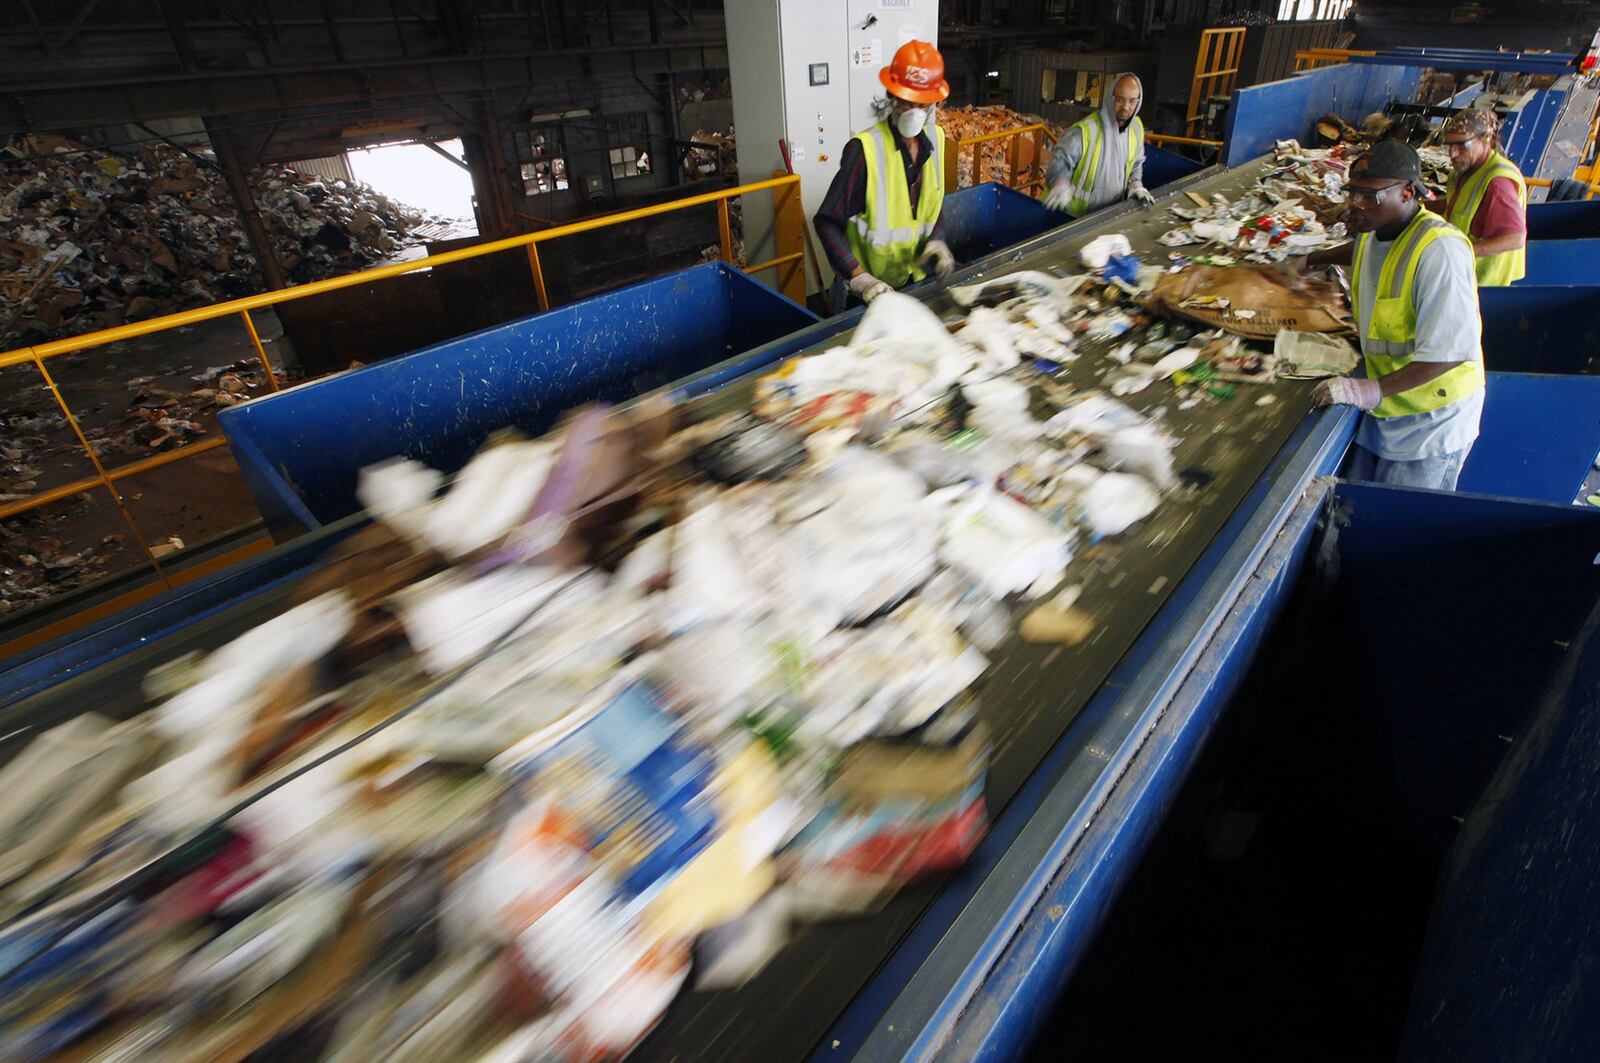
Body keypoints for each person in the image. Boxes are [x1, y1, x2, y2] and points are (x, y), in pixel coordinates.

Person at [1300, 141, 1484, 491]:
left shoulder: (1440, 252)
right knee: (1355, 513)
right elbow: (1363, 250)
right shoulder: (1378, 230)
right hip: (1389, 409)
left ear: (1408, 193)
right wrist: (1313, 260)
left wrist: (1369, 391)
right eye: (1352, 193)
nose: (1356, 204)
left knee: (1397, 528)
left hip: (1430, 424)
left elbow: (1449, 353)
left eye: (1370, 196)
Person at [814, 40, 955, 311]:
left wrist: (938, 238)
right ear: (892, 95)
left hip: (913, 285)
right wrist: (859, 277)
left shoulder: (936, 141)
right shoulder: (865, 150)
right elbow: (827, 221)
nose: (913, 111)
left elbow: (932, 206)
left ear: (936, 101)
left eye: (922, 103)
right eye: (905, 101)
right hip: (868, 296)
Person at [1433, 108, 1526, 286]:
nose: (1452, 153)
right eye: (1449, 145)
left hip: (1486, 282)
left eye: (1462, 145)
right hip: (1463, 273)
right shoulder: (1466, 169)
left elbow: (1515, 238)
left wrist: (1461, 251)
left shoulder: (1498, 182)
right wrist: (1418, 207)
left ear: (1486, 139)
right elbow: (1457, 205)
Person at [1042, 73, 1151, 218]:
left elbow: (1136, 164)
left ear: (1139, 101)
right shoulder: (1086, 130)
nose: (1126, 106)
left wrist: (1136, 185)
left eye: (1132, 101)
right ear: (1110, 97)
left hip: (1112, 215)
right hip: (1075, 218)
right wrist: (1059, 183)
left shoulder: (1136, 128)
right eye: (1120, 99)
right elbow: (1060, 161)